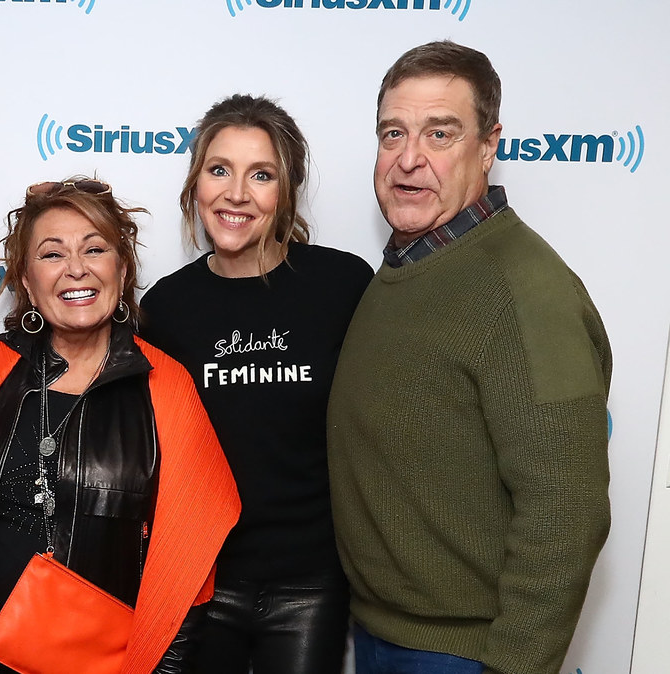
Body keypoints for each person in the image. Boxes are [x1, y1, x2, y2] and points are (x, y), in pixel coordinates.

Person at [327, 40, 612, 674]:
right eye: (393, 133)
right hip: (381, 634)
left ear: (489, 145)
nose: (409, 159)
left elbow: (567, 504)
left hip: (462, 654)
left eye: (441, 134)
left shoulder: (523, 287)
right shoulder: (412, 264)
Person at [0, 177, 240, 674]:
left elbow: (193, 566)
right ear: (25, 279)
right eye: (52, 254)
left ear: (122, 268)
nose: (76, 269)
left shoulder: (165, 386)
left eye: (95, 248)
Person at [141, 94, 373, 673]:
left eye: (261, 175)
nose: (236, 194)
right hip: (205, 583)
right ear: (196, 183)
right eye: (219, 170)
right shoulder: (167, 307)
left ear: (287, 190)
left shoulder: (342, 285)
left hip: (311, 584)